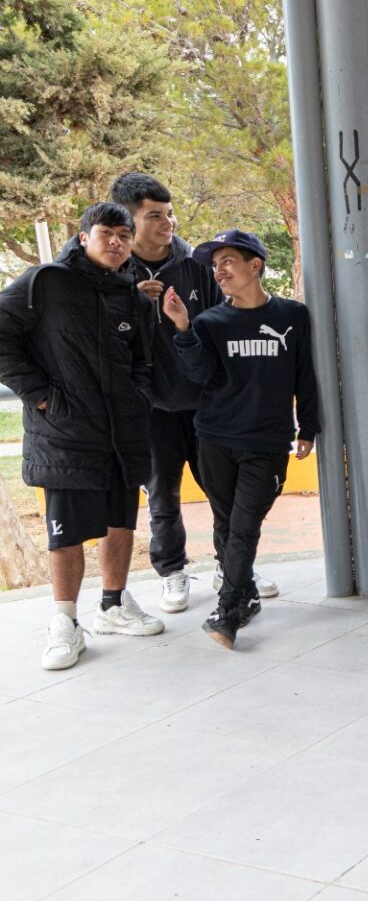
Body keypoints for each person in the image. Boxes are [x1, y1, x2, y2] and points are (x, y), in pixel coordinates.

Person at [0, 203, 164, 669]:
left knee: (121, 521)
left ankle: (113, 605)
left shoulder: (132, 297)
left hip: (121, 432)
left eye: (124, 236)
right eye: (107, 233)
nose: (116, 242)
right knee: (66, 531)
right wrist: (40, 395)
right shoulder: (45, 282)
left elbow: (143, 361)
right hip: (65, 433)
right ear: (83, 237)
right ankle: (65, 622)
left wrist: (138, 397)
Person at [163, 231, 320, 647]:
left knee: (245, 526)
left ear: (255, 265)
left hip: (266, 442)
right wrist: (183, 328)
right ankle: (245, 595)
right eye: (215, 265)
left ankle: (228, 610)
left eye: (228, 261)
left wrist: (308, 426)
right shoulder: (209, 322)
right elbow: (199, 374)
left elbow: (304, 373)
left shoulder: (293, 316)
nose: (219, 271)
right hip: (215, 437)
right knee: (227, 523)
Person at [108, 171, 231, 614]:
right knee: (162, 497)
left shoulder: (197, 263)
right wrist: (132, 303)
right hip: (150, 407)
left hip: (206, 402)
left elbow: (222, 324)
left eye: (170, 213)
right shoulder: (113, 273)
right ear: (130, 221)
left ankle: (232, 567)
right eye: (155, 216)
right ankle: (172, 572)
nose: (168, 223)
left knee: (223, 491)